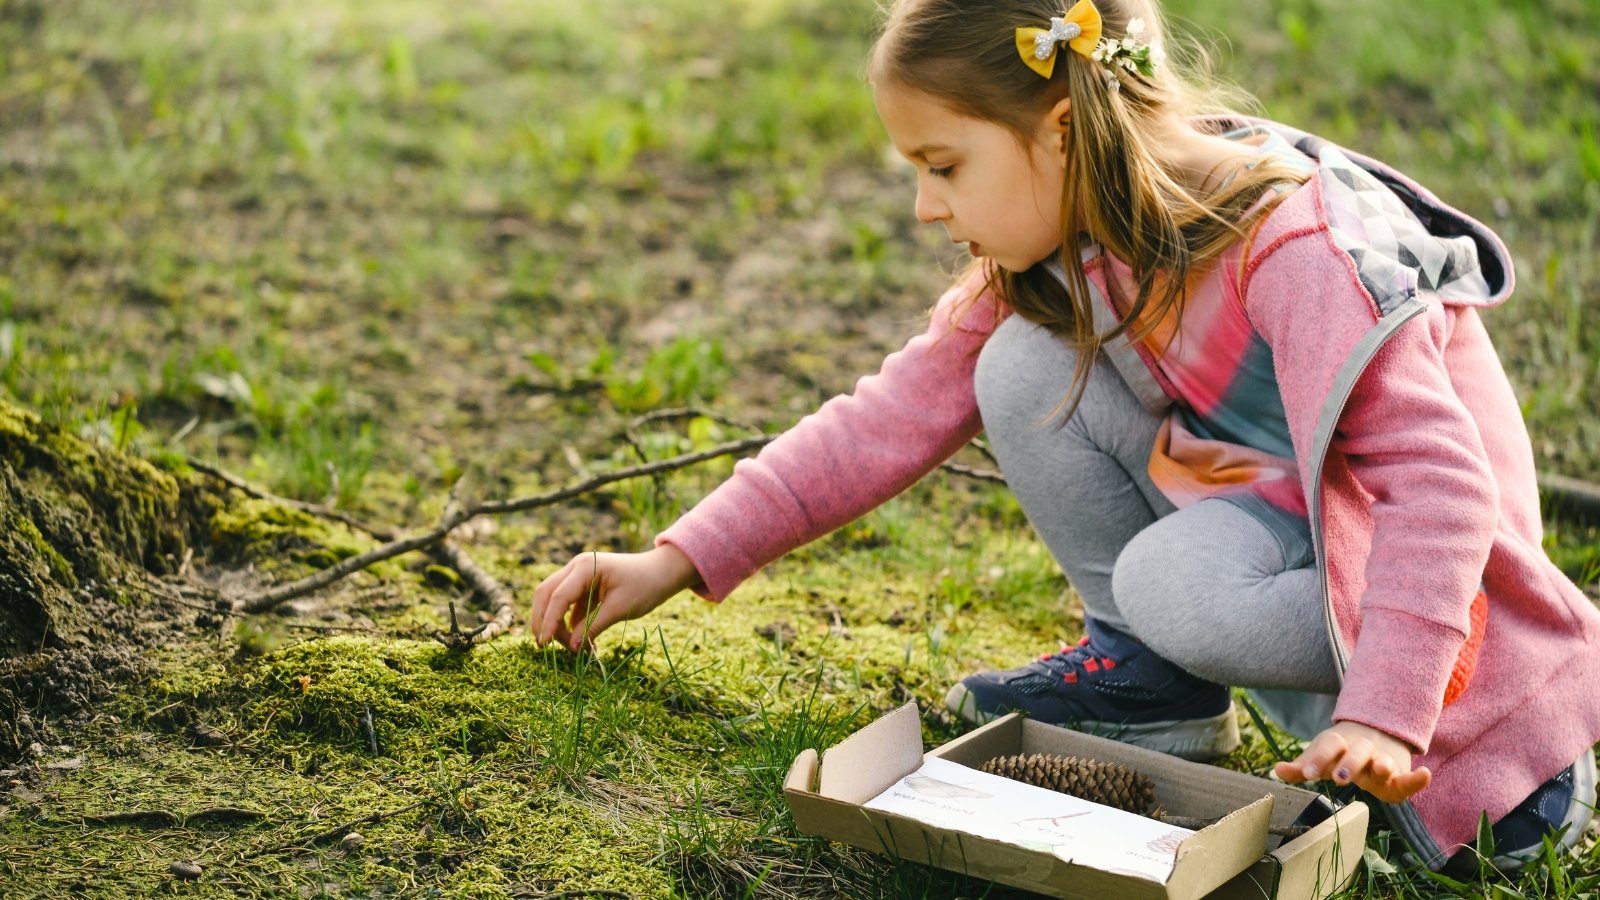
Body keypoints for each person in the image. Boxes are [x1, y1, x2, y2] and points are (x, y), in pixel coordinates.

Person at [530, 0, 1600, 874]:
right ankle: (1151, 683)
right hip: (1297, 526)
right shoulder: (1071, 242)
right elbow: (887, 417)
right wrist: (675, 558)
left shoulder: (1296, 245)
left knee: (1174, 582)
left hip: (1465, 606)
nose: (921, 207)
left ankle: (1474, 751)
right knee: (1022, 364)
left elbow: (1441, 493)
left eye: (942, 166)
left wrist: (1388, 716)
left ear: (1057, 126)